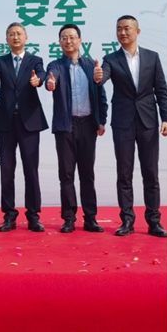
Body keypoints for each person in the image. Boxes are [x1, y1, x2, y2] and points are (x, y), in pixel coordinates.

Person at [94, 15, 167, 237]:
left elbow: (161, 90)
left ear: (138, 31)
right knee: (124, 173)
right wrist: (98, 77)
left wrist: (166, 118)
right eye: (119, 29)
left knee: (150, 173)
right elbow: (102, 78)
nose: (122, 32)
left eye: (127, 28)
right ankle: (127, 220)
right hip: (123, 122)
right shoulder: (110, 59)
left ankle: (154, 221)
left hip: (148, 121)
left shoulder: (152, 57)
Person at [46, 24, 108, 233]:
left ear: (80, 41)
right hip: (66, 126)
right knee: (66, 174)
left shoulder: (91, 66)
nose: (68, 41)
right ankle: (69, 218)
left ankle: (90, 218)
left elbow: (101, 96)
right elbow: (51, 79)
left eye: (72, 37)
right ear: (59, 42)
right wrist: (50, 84)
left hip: (88, 125)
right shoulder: (55, 65)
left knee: (87, 173)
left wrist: (101, 121)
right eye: (64, 38)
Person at [0, 22, 48, 232]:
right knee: (7, 170)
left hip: (29, 122)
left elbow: (41, 74)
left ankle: (33, 216)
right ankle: (9, 216)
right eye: (11, 34)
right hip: (6, 122)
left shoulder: (35, 60)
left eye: (19, 34)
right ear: (6, 39)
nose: (15, 37)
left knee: (31, 170)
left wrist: (38, 80)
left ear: (26, 38)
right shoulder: (1, 60)